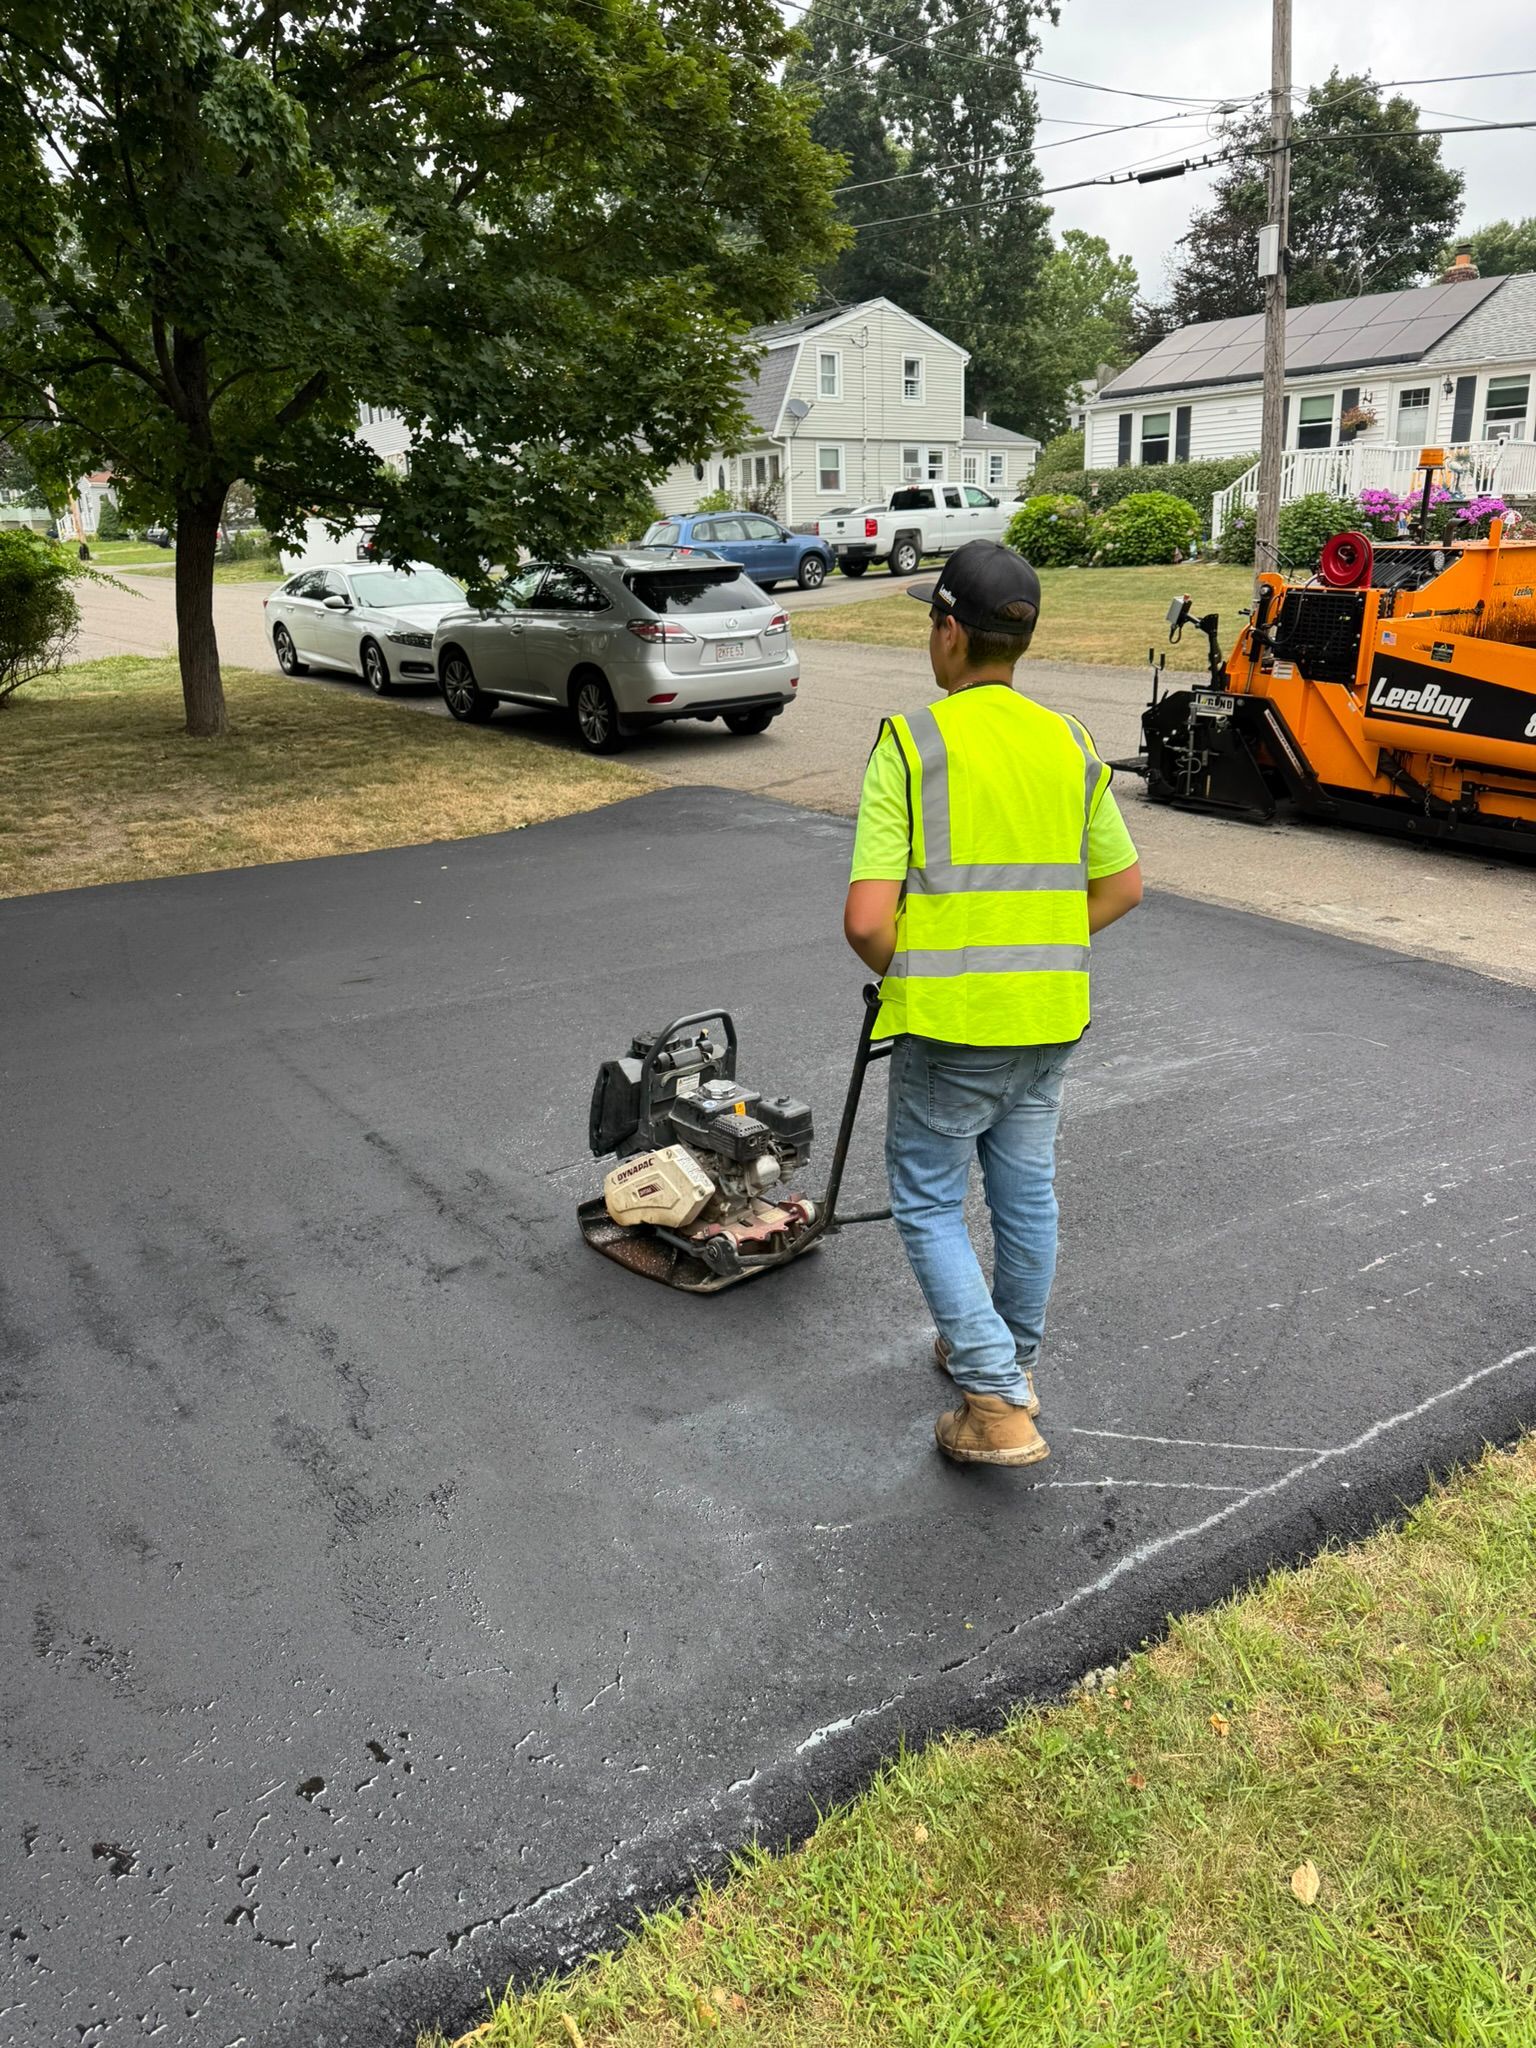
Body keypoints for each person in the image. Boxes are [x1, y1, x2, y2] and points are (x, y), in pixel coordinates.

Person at [842, 539, 1143, 1469]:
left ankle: (996, 1401)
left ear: (947, 632)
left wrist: (927, 968)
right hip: (1051, 1019)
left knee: (928, 1202)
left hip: (952, 1026)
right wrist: (1031, 955)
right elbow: (1122, 886)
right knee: (1026, 1195)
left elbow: (864, 923)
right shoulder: (1071, 741)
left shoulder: (912, 741)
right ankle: (1009, 1358)